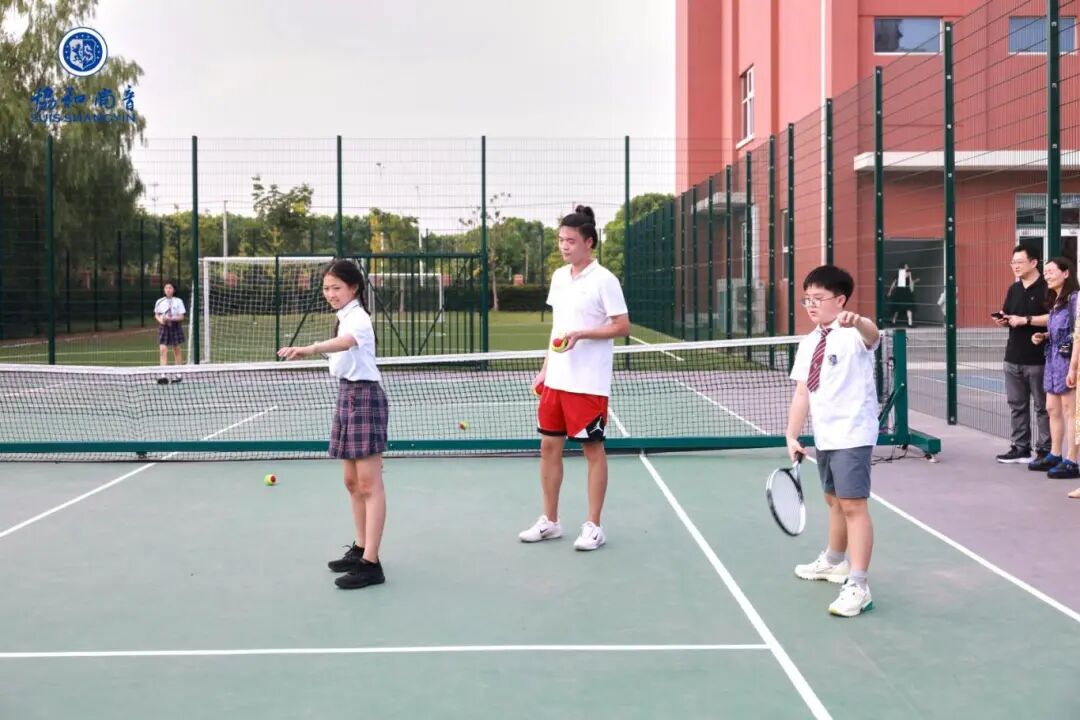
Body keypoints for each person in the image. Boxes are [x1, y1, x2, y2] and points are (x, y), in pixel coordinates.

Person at [518, 206, 630, 551]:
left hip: (588, 384)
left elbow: (622, 326)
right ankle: (550, 521)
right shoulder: (559, 277)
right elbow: (558, 328)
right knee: (548, 448)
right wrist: (545, 368)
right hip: (557, 381)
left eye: (570, 240)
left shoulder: (605, 280)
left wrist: (583, 334)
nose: (564, 246)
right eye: (560, 240)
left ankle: (593, 526)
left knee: (592, 451)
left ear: (588, 242)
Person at [278, 259, 388, 590]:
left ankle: (372, 564)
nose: (330, 294)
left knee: (369, 484)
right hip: (346, 395)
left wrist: (310, 348)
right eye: (326, 288)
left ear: (353, 287)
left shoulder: (359, 318)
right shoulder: (342, 317)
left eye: (336, 288)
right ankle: (360, 549)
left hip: (365, 397)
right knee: (351, 482)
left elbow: (347, 342)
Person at [786, 265, 880, 618]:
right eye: (806, 299)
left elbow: (873, 335)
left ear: (840, 301)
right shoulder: (809, 342)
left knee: (853, 505)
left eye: (818, 298)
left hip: (853, 433)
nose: (811, 305)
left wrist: (859, 321)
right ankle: (834, 560)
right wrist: (792, 434)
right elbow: (802, 392)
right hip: (825, 435)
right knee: (834, 501)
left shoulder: (854, 334)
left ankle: (858, 585)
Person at [995, 246, 1051, 464]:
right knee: (1016, 405)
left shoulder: (1047, 288)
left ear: (1034, 262)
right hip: (1013, 356)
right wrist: (1004, 320)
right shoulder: (1014, 289)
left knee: (1043, 407)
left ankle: (1045, 450)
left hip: (1039, 358)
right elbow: (1010, 314)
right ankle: (1020, 448)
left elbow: (1055, 316)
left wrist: (1026, 320)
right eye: (1013, 262)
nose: (1015, 266)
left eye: (1019, 262)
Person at [1031, 257, 1079, 479]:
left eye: (1051, 271)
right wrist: (1045, 335)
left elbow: (1078, 335)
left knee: (1071, 411)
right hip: (1053, 359)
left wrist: (1073, 367)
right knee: (1052, 408)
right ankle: (1055, 453)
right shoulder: (1057, 301)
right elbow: (1063, 332)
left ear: (1066, 273)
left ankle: (1072, 460)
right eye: (1046, 272)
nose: (1047, 275)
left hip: (1069, 361)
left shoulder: (1075, 300)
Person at [154, 282, 186, 384]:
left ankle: (178, 374)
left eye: (170, 288)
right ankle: (163, 375)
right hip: (164, 327)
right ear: (164, 290)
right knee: (163, 350)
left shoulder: (178, 301)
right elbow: (156, 315)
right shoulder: (159, 301)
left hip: (175, 326)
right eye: (166, 288)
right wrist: (161, 320)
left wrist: (171, 319)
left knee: (177, 350)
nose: (168, 290)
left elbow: (181, 317)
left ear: (174, 290)